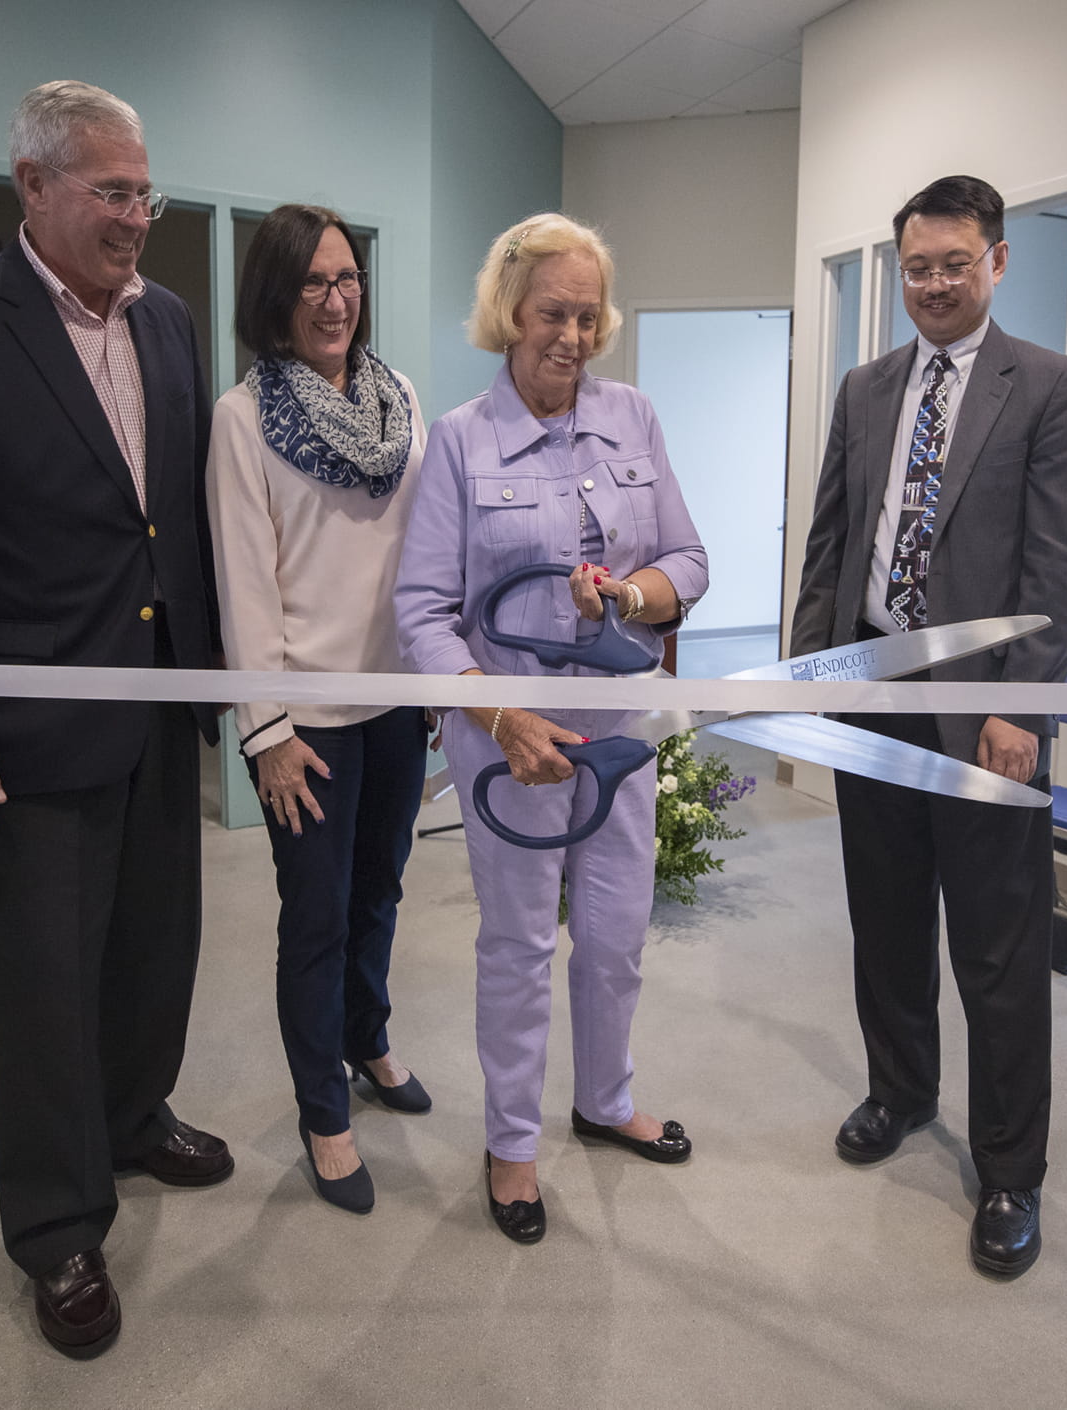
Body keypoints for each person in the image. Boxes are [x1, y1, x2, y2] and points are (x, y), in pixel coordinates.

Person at [0, 81, 231, 1357]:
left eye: (146, 193)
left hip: (157, 705)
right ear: (33, 185)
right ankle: (59, 1226)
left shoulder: (172, 322)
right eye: (112, 193)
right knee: (44, 988)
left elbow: (172, 520)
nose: (137, 217)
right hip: (24, 728)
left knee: (151, 953)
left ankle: (133, 1120)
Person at [789, 174, 1067, 1276]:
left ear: (996, 261)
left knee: (996, 948)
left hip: (984, 719)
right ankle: (900, 1092)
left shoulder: (1051, 387)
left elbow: (1058, 566)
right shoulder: (866, 386)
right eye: (915, 267)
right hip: (870, 695)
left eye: (952, 265)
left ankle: (1010, 1170)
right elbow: (831, 539)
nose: (930, 284)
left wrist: (1020, 706)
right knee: (882, 917)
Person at [394, 213, 709, 1244]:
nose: (569, 337)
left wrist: (627, 598)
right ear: (508, 315)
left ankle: (606, 1100)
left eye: (585, 316)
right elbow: (422, 612)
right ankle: (512, 1142)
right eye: (549, 314)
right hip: (508, 735)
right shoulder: (458, 439)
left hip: (616, 726)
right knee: (521, 944)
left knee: (615, 934)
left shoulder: (636, 418)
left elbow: (688, 566)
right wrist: (498, 715)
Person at [207, 205, 432, 1216]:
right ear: (275, 299)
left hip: (393, 704)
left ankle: (366, 1037)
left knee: (380, 891)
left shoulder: (401, 401)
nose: (335, 300)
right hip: (307, 721)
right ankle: (321, 1112)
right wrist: (267, 731)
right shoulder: (243, 419)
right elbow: (243, 585)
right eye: (312, 284)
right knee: (316, 918)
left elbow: (424, 555)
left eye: (346, 279)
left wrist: (431, 682)